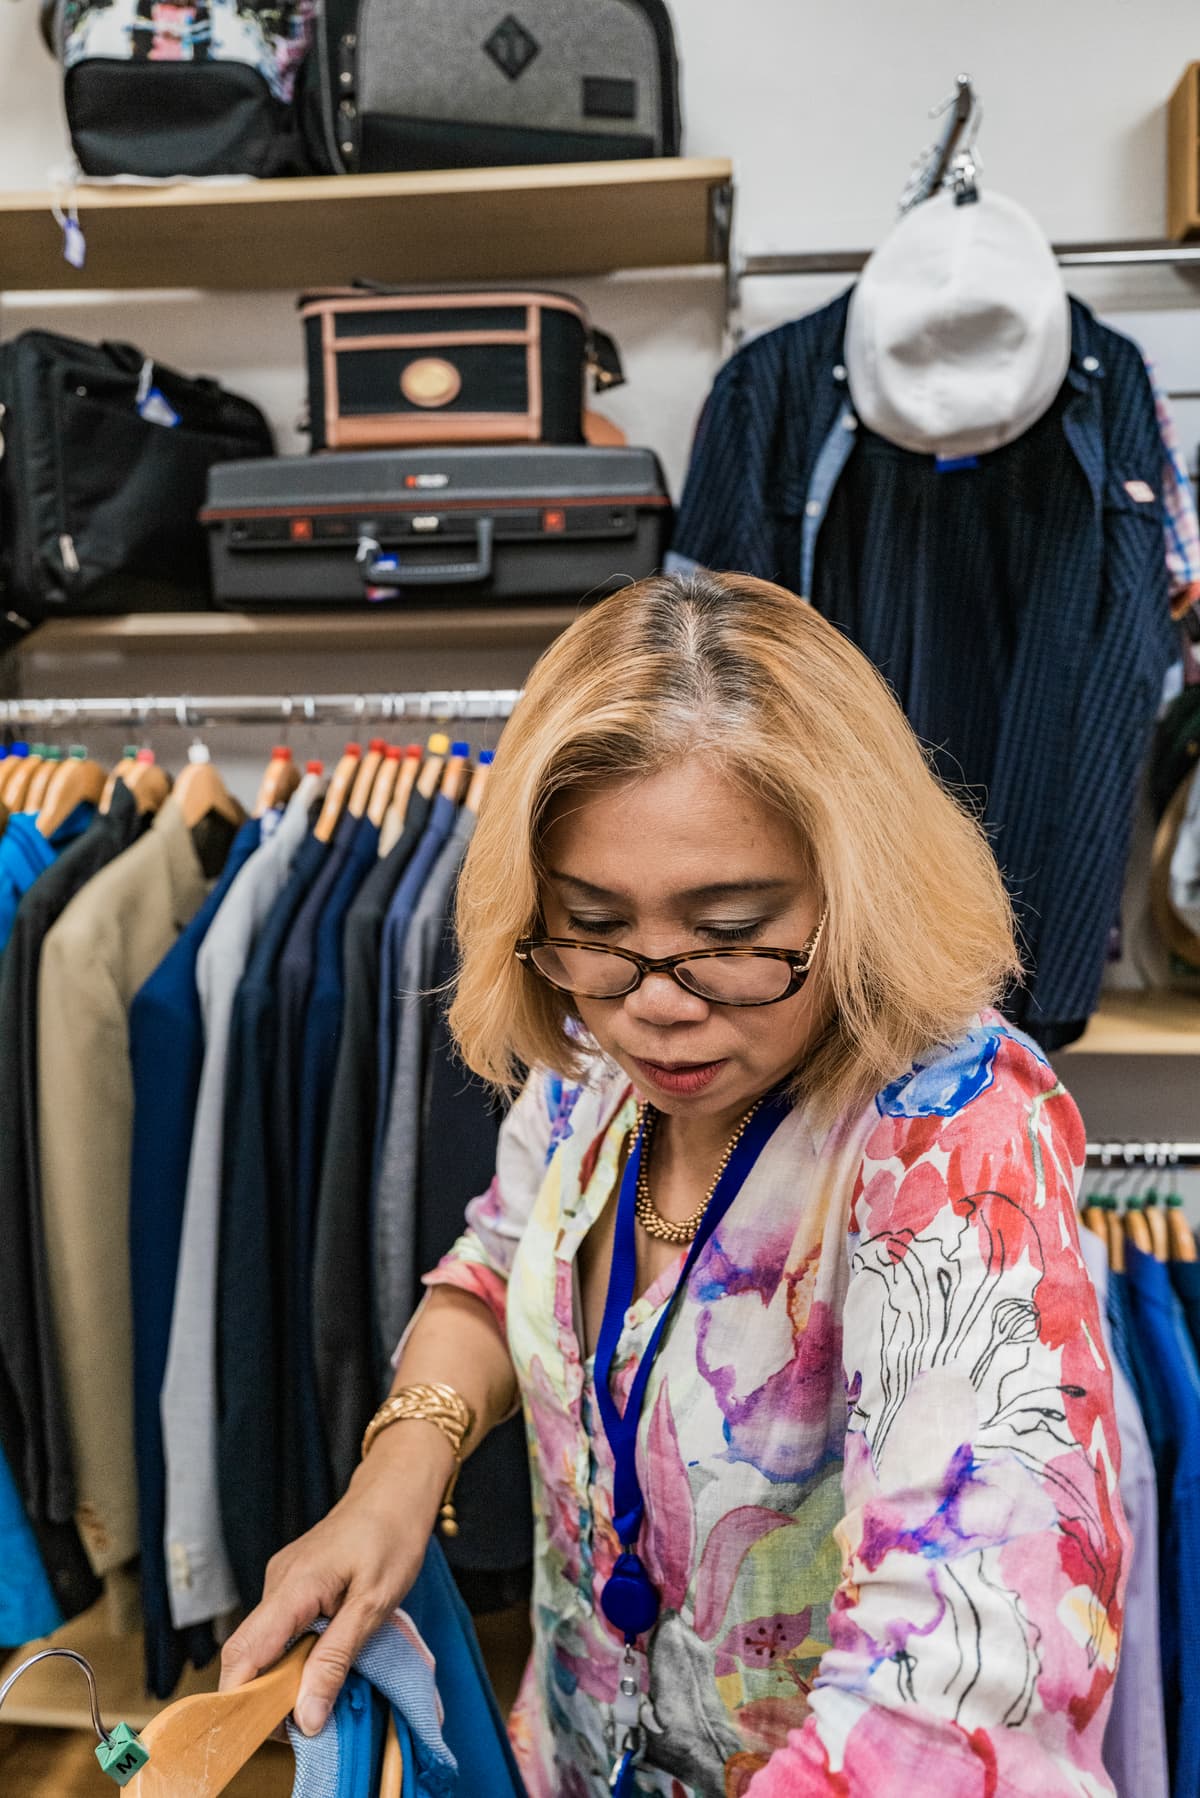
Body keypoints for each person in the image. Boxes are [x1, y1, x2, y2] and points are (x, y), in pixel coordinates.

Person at [221, 571, 1129, 1796]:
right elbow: (497, 1273)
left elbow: (959, 1679)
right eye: (595, 924)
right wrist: (400, 1467)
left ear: (853, 888)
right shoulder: (590, 1067)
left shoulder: (951, 1141)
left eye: (732, 929)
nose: (655, 1001)